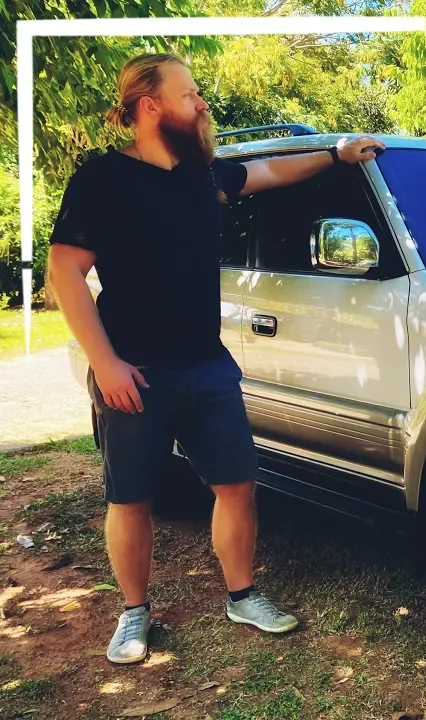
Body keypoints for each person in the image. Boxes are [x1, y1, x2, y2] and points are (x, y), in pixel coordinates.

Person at [46, 52, 386, 665]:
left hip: (207, 365)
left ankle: (243, 596)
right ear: (150, 106)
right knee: (132, 498)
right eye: (190, 95)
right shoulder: (103, 178)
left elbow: (268, 172)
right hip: (134, 370)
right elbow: (64, 272)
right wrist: (107, 364)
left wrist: (336, 155)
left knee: (236, 485)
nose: (202, 104)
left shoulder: (203, 174)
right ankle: (134, 612)